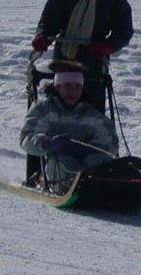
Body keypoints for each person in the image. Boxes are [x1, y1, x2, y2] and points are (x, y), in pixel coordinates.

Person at [31, 0, 133, 113]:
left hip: (94, 58)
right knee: (60, 102)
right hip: (64, 57)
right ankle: (54, 136)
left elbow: (124, 30)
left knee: (91, 104)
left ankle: (92, 136)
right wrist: (43, 36)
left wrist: (109, 45)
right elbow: (50, 20)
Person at [20, 61, 119, 193]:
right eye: (67, 85)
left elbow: (110, 140)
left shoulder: (90, 114)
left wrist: (87, 150)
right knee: (62, 161)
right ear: (57, 86)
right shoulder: (44, 108)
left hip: (87, 165)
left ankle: (100, 186)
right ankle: (74, 187)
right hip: (56, 165)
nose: (73, 91)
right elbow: (27, 138)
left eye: (77, 86)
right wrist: (47, 143)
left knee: (96, 160)